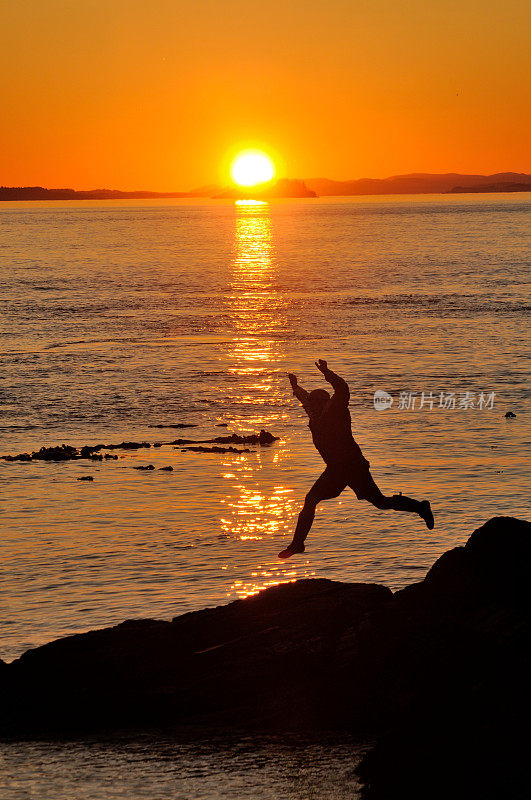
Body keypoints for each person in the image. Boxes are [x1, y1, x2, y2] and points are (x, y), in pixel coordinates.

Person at [278, 359, 434, 559]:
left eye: (315, 403)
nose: (310, 406)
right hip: (335, 470)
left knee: (380, 502)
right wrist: (294, 385)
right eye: (311, 404)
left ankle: (420, 507)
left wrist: (327, 372)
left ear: (325, 402)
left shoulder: (337, 409)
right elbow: (303, 397)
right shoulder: (313, 412)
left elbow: (342, 388)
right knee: (311, 500)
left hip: (353, 467)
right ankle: (297, 544)